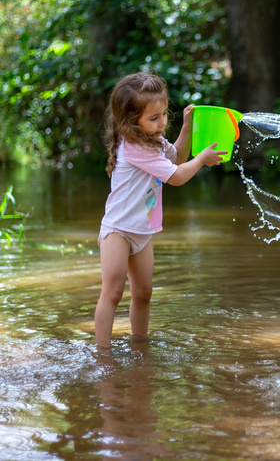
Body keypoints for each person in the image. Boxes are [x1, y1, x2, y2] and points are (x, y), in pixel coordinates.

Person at [94, 72, 226, 349]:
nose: (162, 122)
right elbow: (177, 176)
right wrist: (202, 160)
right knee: (113, 292)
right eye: (154, 118)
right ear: (131, 122)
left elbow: (178, 157)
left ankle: (139, 344)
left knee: (143, 292)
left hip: (142, 231)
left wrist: (187, 126)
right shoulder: (133, 146)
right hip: (118, 230)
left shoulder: (153, 141)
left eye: (164, 114)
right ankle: (102, 353)